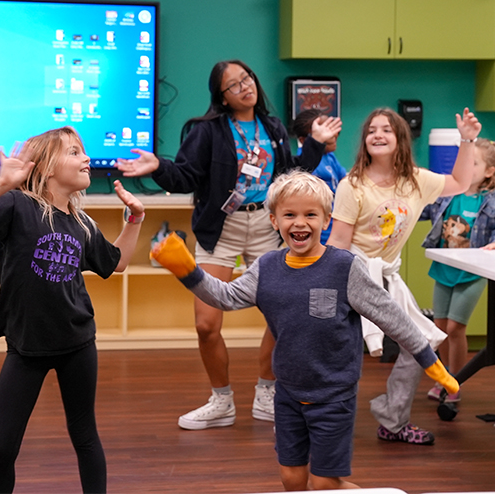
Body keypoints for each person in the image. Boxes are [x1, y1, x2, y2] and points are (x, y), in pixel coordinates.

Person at [150, 170, 458, 491]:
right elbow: (225, 297)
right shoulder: (266, 268)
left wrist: (432, 365)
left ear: (326, 221)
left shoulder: (345, 267)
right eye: (290, 215)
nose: (300, 223)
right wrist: (187, 269)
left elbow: (393, 318)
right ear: (274, 221)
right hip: (288, 394)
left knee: (324, 483)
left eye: (311, 214)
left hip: (334, 398)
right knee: (292, 479)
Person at [117, 59, 342, 429]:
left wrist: (315, 143)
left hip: (269, 226)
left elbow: (289, 173)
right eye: (234, 85)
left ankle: (267, 391)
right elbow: (186, 176)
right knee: (206, 324)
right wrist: (158, 166)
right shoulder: (207, 131)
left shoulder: (271, 128)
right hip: (221, 226)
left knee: (283, 316)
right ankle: (221, 400)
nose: (244, 87)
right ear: (221, 97)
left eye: (247, 79)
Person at [0, 126, 144, 494]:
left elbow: (115, 263)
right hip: (26, 348)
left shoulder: (82, 222)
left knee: (85, 435)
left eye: (83, 151)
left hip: (78, 343)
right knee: (3, 448)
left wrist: (134, 220)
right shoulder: (18, 205)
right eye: (74, 152)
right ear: (48, 167)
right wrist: (1, 184)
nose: (86, 158)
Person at [327, 107, 481, 445]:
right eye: (371, 130)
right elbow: (338, 242)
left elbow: (460, 182)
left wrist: (467, 140)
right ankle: (314, 419)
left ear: (400, 139)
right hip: (352, 274)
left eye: (386, 130)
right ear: (365, 140)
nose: (377, 135)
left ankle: (393, 421)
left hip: (386, 278)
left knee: (419, 344)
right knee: (336, 350)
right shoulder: (352, 185)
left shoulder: (415, 181)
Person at [420, 137, 495, 402]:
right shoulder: (447, 195)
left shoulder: (490, 201)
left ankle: (455, 384)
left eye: (474, 163)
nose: (466, 166)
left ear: (489, 171)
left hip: (471, 274)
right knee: (440, 327)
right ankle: (446, 377)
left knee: (455, 328)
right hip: (444, 268)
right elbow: (420, 208)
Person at [292, 108, 347, 243]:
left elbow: (345, 181)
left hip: (337, 227)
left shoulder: (330, 156)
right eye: (322, 132)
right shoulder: (303, 163)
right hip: (320, 233)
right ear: (304, 140)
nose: (333, 135)